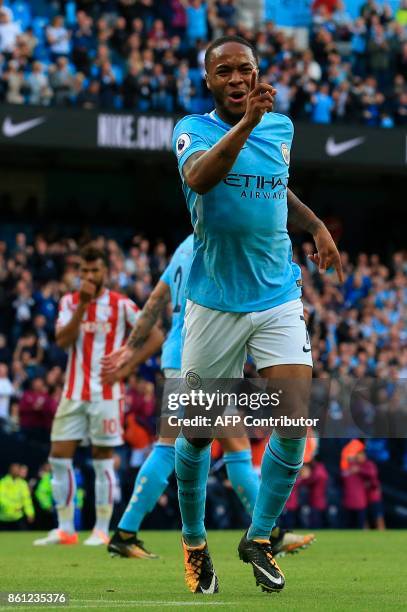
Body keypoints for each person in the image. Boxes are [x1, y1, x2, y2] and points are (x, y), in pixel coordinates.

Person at [168, 35, 343, 594]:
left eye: (245, 69)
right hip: (214, 302)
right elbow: (202, 178)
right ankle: (195, 544)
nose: (237, 78)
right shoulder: (191, 131)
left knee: (293, 421)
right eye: (225, 71)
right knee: (196, 435)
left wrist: (314, 227)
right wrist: (246, 125)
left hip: (277, 297)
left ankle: (259, 536)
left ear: (258, 72)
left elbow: (275, 189)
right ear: (209, 81)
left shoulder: (282, 128)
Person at [102, 235, 315, 559]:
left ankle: (270, 531)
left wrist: (131, 346)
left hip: (191, 357)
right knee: (171, 446)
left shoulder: (183, 247)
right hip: (195, 358)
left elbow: (156, 301)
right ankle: (126, 531)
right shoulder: (218, 243)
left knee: (231, 446)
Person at [33, 244, 163, 547]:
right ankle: (65, 528)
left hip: (107, 393)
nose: (89, 275)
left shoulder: (120, 304)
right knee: (59, 457)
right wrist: (83, 305)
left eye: (95, 270)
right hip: (73, 393)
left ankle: (102, 529)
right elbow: (63, 342)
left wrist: (125, 369)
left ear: (106, 270)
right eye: (85, 271)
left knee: (102, 459)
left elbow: (155, 335)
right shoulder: (68, 302)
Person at [0, 463, 35, 530]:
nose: (16, 471)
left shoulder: (23, 483)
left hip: (18, 517)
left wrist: (30, 513)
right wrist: (13, 507)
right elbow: (1, 498)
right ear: (10, 471)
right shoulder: (2, 482)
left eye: (17, 470)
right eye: (14, 470)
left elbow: (27, 500)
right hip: (3, 518)